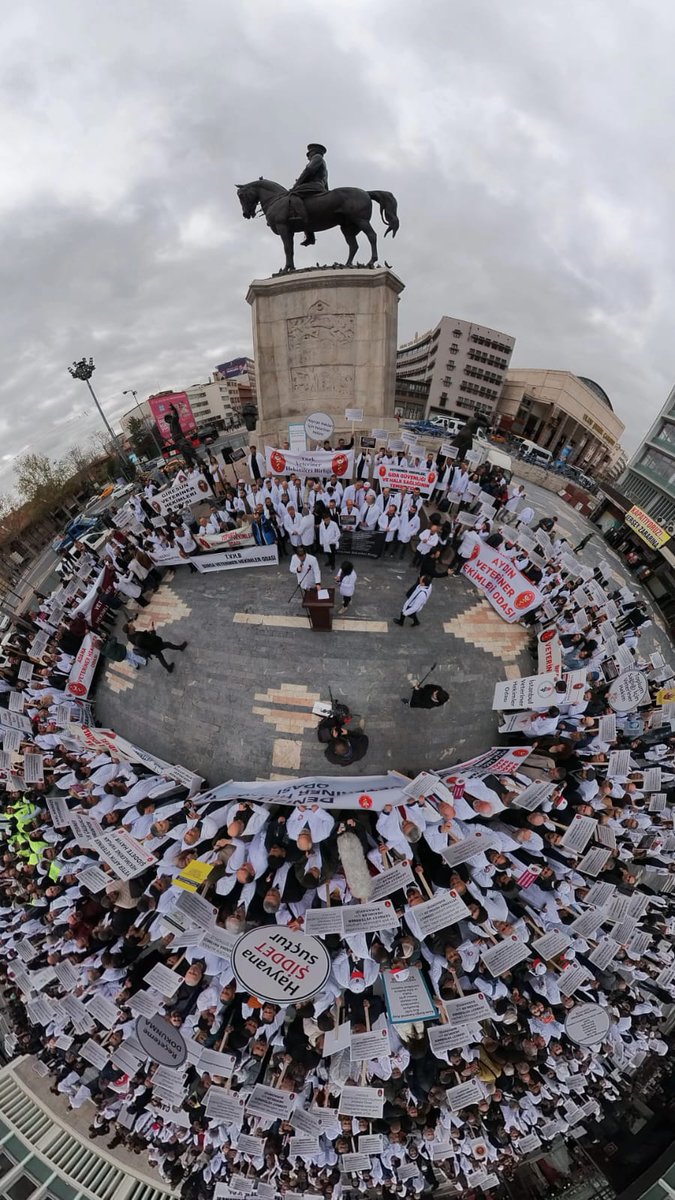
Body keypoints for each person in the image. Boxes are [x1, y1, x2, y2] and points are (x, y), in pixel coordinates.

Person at [288, 142, 328, 246]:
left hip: (315, 186)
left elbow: (308, 171)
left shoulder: (317, 157)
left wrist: (296, 185)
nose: (308, 157)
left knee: (293, 195)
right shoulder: (323, 163)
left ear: (313, 152)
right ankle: (310, 236)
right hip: (319, 187)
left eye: (308, 155)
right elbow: (326, 183)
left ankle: (302, 218)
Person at [123, 622, 187, 674]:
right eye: (131, 625)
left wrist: (148, 630)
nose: (132, 624)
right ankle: (181, 648)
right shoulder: (139, 638)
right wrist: (153, 631)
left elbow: (141, 638)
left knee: (160, 656)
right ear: (130, 630)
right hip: (154, 646)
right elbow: (152, 640)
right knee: (167, 644)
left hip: (149, 649)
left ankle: (169, 668)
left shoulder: (129, 636)